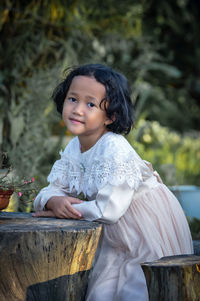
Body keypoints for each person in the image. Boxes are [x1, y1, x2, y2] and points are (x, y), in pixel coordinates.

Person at [33, 63, 193, 301]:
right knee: (103, 290)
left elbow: (109, 210)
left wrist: (67, 210)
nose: (77, 109)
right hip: (116, 232)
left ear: (111, 116)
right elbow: (54, 188)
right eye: (72, 99)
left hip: (144, 229)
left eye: (90, 104)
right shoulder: (73, 148)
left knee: (135, 289)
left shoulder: (114, 149)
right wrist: (53, 201)